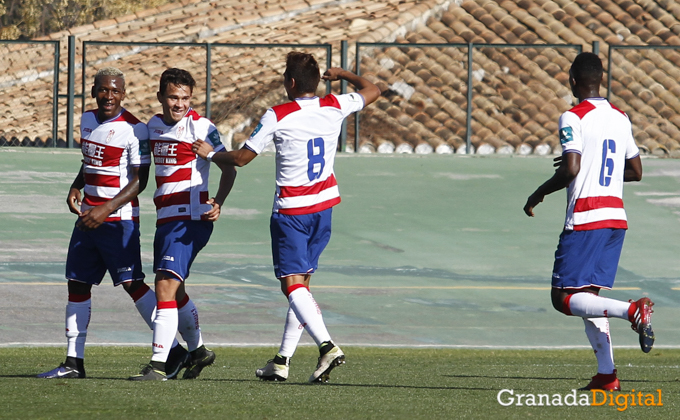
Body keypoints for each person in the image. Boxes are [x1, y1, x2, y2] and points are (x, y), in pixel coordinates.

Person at [193, 51, 380, 383]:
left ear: (290, 82)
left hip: (292, 212)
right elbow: (373, 89)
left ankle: (327, 346)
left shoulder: (278, 114)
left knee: (292, 286)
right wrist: (346, 74)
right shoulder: (336, 104)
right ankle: (281, 361)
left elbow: (241, 158)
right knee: (302, 286)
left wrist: (212, 153)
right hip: (324, 208)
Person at [36, 67, 190, 379]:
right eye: (103, 90)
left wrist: (105, 210)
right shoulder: (87, 120)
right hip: (87, 218)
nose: (109, 96)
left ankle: (173, 351)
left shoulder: (135, 129)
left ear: (123, 94)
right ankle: (73, 363)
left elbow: (140, 180)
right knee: (77, 284)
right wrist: (76, 186)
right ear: (93, 91)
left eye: (115, 91)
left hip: (117, 221)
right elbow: (88, 162)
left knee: (132, 284)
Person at [523, 52, 653, 391]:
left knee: (563, 298)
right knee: (588, 298)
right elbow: (636, 172)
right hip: (615, 219)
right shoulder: (620, 117)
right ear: (600, 80)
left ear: (572, 80)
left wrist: (538, 193)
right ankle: (607, 375)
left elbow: (571, 168)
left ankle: (632, 310)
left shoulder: (573, 116)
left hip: (586, 217)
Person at [128, 68, 236, 381]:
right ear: (161, 96)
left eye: (185, 98)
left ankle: (160, 365)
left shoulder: (201, 126)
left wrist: (218, 202)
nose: (179, 103)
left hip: (192, 218)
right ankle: (199, 350)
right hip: (165, 218)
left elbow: (230, 168)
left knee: (164, 285)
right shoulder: (153, 126)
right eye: (174, 97)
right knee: (175, 290)